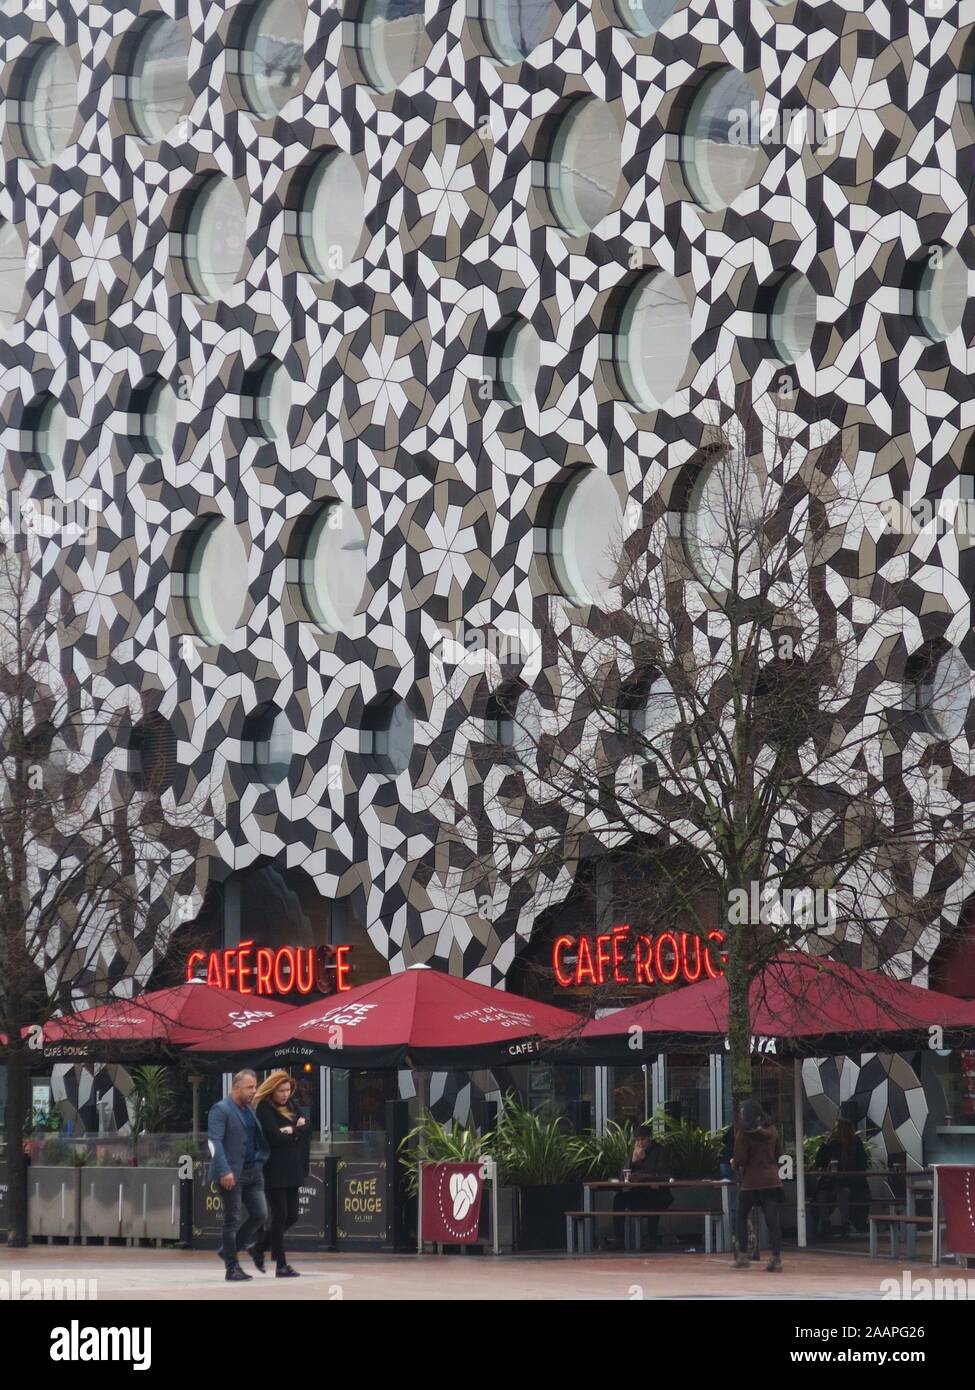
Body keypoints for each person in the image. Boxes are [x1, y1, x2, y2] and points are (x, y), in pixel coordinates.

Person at [207, 1068, 271, 1283]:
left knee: (260, 1213)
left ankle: (228, 1249)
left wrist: (261, 1160)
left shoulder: (249, 1110)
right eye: (250, 1087)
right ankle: (231, 1267)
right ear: (236, 1087)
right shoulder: (221, 1110)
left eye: (255, 1086)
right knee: (231, 1219)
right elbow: (214, 1142)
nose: (254, 1091)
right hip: (231, 1173)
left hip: (253, 1171)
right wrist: (224, 1169)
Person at [252, 1070, 311, 1278]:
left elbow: (307, 1129)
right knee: (280, 1216)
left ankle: (259, 1248)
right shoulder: (264, 1109)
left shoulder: (293, 1106)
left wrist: (291, 1131)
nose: (285, 1094)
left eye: (288, 1090)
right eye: (281, 1091)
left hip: (293, 1168)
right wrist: (295, 1130)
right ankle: (281, 1265)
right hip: (274, 1170)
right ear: (272, 1089)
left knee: (292, 1215)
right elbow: (274, 1138)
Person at [732, 1097, 784, 1272]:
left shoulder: (743, 1134)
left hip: (751, 1182)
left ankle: (743, 1256)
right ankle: (776, 1259)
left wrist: (734, 1164)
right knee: (772, 1221)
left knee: (741, 1216)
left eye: (741, 1111)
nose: (740, 1114)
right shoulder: (773, 1130)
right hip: (771, 1180)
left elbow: (740, 1159)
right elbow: (779, 1154)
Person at [611, 1124, 673, 1251]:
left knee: (653, 1201)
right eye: (637, 1140)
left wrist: (643, 1166)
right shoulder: (635, 1152)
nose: (640, 1143)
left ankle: (651, 1241)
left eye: (643, 1139)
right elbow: (622, 1175)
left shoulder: (660, 1151)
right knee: (619, 1199)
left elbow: (664, 1174)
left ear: (649, 1138)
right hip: (639, 1193)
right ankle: (619, 1240)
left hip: (658, 1194)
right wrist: (632, 1161)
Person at [813, 1118, 870, 1239]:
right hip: (832, 1182)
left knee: (843, 1193)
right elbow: (819, 1162)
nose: (834, 1130)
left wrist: (848, 1172)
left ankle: (845, 1225)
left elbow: (862, 1164)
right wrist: (825, 1145)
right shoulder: (832, 1143)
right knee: (821, 1195)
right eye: (834, 1128)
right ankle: (825, 1224)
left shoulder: (855, 1143)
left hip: (851, 1182)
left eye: (837, 1128)